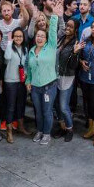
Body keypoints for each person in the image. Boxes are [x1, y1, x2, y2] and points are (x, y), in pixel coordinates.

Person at [26, 13, 60, 145]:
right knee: (38, 112)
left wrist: (54, 16)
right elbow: (29, 68)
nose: (39, 38)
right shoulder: (32, 51)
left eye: (42, 36)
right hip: (35, 87)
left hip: (49, 87)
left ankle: (46, 134)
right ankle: (39, 131)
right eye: (38, 36)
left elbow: (52, 31)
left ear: (46, 39)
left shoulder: (51, 47)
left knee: (47, 111)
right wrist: (28, 81)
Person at [3, 28, 30, 143]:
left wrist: (27, 77)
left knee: (21, 104)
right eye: (16, 36)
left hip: (21, 81)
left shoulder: (25, 49)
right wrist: (9, 42)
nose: (18, 38)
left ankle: (21, 126)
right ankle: (9, 131)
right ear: (13, 37)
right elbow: (7, 58)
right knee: (10, 106)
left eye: (20, 36)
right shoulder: (9, 47)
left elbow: (27, 64)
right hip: (10, 81)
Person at [54, 19, 80, 142]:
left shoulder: (76, 43)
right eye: (67, 25)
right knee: (57, 105)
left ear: (75, 30)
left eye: (71, 26)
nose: (68, 27)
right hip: (56, 76)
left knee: (64, 106)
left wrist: (74, 53)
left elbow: (74, 66)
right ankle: (62, 127)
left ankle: (69, 129)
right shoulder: (61, 38)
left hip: (67, 77)